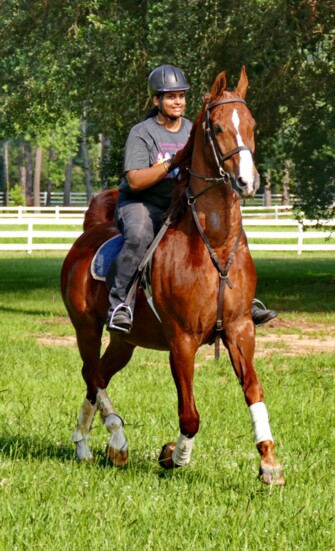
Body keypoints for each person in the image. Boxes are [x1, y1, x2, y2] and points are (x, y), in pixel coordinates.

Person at [106, 64, 277, 333]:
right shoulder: (142, 132)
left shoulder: (193, 128)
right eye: (171, 96)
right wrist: (171, 162)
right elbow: (135, 181)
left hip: (181, 201)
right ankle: (120, 305)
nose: (178, 102)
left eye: (182, 96)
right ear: (156, 100)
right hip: (143, 203)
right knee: (138, 236)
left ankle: (243, 300)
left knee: (230, 232)